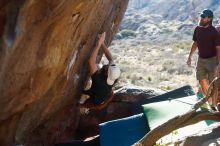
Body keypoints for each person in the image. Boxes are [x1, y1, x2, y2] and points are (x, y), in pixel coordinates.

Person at [186, 9, 220, 111]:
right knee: (201, 80)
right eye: (201, 16)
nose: (201, 18)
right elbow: (195, 43)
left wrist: (217, 64)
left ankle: (214, 105)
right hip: (201, 59)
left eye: (203, 16)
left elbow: (218, 49)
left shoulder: (214, 32)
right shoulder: (197, 29)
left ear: (209, 19)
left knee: (213, 83)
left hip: (212, 60)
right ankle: (209, 101)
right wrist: (190, 56)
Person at [79, 32, 121, 110]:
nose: (108, 64)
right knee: (98, 66)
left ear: (106, 73)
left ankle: (81, 104)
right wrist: (102, 43)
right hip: (102, 92)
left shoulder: (99, 81)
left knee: (81, 100)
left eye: (108, 66)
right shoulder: (113, 75)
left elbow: (90, 61)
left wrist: (98, 44)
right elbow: (111, 58)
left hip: (95, 100)